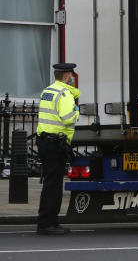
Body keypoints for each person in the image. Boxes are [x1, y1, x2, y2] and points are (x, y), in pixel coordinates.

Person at [36, 63, 81, 235]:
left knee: (50, 183)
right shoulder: (65, 94)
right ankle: (47, 224)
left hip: (45, 141)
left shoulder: (48, 91)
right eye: (71, 75)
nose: (71, 77)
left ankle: (47, 221)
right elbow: (68, 118)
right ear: (66, 75)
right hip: (55, 144)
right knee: (53, 185)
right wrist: (76, 109)